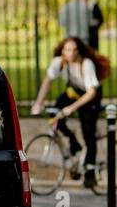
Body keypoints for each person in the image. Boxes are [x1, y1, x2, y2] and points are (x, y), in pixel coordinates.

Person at [31, 37, 102, 189]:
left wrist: (72, 108)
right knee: (55, 114)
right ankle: (74, 144)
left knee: (88, 132)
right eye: (68, 49)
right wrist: (39, 103)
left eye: (74, 50)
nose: (71, 53)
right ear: (63, 51)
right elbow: (47, 81)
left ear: (79, 50)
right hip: (74, 91)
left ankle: (90, 173)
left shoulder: (86, 64)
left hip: (90, 96)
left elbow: (91, 92)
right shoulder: (59, 62)